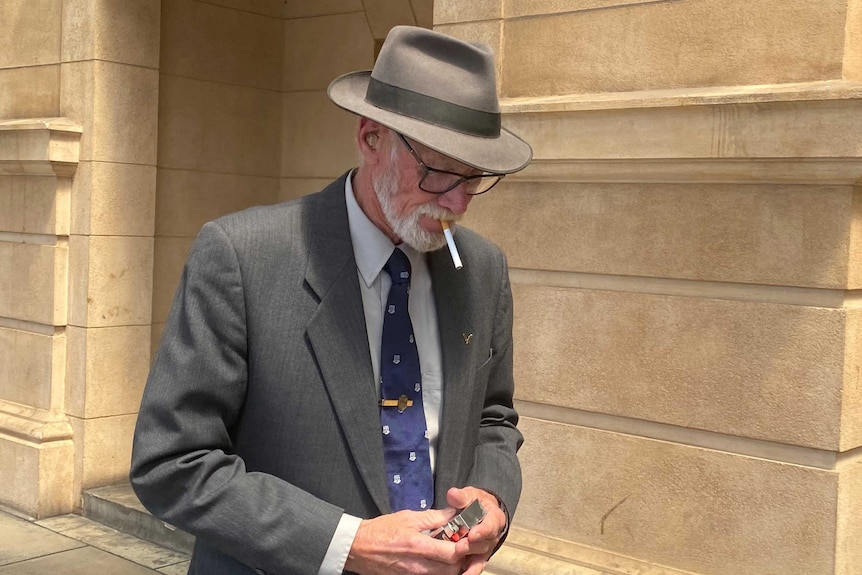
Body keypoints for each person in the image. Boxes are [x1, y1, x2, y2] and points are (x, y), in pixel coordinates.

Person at [130, 25, 532, 575]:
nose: (459, 201)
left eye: (476, 177)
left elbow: (493, 417)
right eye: (439, 171)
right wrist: (349, 544)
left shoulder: (482, 268)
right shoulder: (242, 257)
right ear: (371, 138)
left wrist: (491, 503)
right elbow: (172, 463)